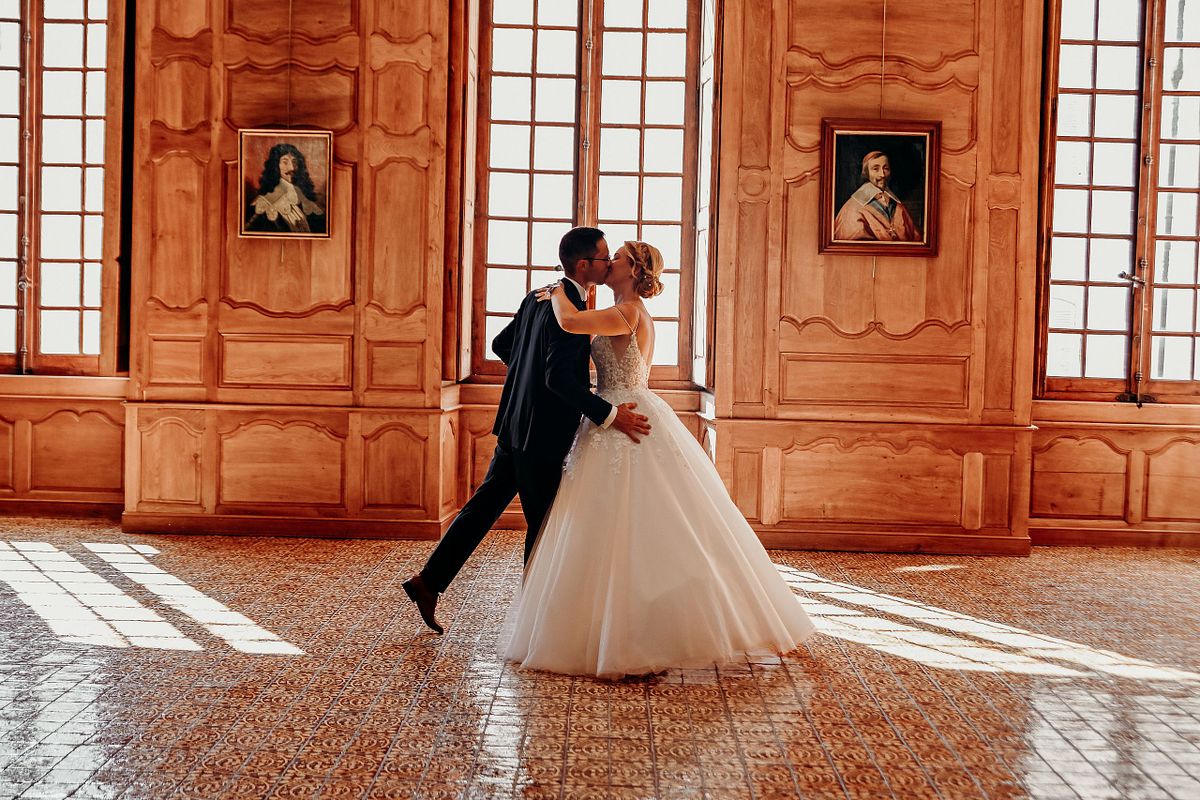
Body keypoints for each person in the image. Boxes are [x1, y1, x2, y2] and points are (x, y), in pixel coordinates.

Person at [502, 240, 814, 679]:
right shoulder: (622, 311)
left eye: (618, 258)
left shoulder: (627, 312)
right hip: (616, 413)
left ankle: (638, 637)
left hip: (623, 415)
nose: (609, 262)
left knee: (633, 526)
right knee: (610, 527)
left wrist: (556, 288)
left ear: (632, 270)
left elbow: (569, 321)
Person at [401, 227, 651, 634]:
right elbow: (559, 379)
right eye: (604, 258)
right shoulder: (567, 307)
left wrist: (527, 381)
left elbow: (503, 345)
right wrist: (608, 414)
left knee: (481, 509)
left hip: (515, 425)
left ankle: (428, 582)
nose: (608, 264)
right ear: (584, 265)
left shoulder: (540, 297)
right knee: (543, 524)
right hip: (543, 436)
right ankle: (538, 621)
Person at [832, 150, 920, 242]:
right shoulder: (853, 208)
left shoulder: (897, 205)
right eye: (875, 169)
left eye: (886, 168)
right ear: (867, 173)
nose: (882, 174)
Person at [244, 143, 326, 234]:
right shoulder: (263, 204)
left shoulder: (301, 195)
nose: (292, 168)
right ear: (275, 166)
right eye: (285, 162)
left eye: (294, 162)